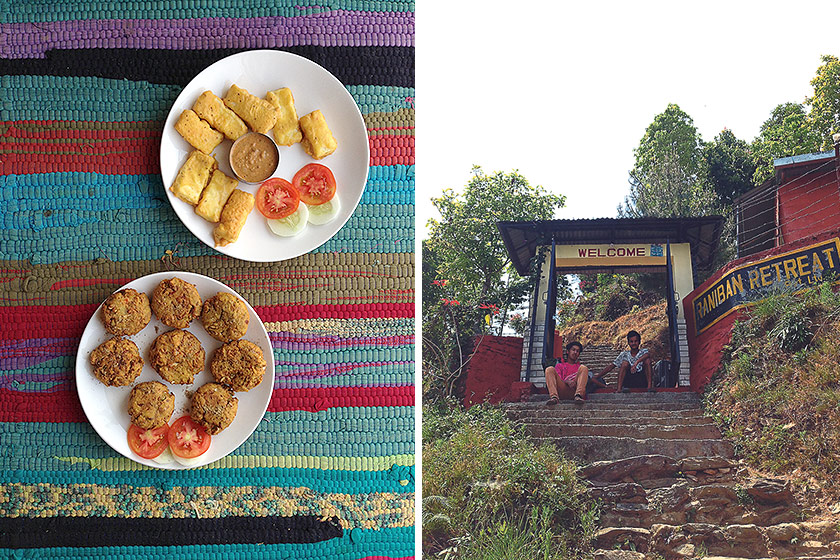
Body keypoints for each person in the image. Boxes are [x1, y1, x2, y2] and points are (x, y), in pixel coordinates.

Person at [544, 341, 589, 405]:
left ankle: (578, 396)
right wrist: (566, 381)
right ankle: (554, 397)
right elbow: (557, 380)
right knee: (549, 369)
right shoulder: (560, 366)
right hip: (562, 390)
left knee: (584, 367)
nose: (575, 352)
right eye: (573, 350)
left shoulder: (580, 368)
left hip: (575, 391)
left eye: (577, 351)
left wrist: (574, 382)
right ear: (568, 351)